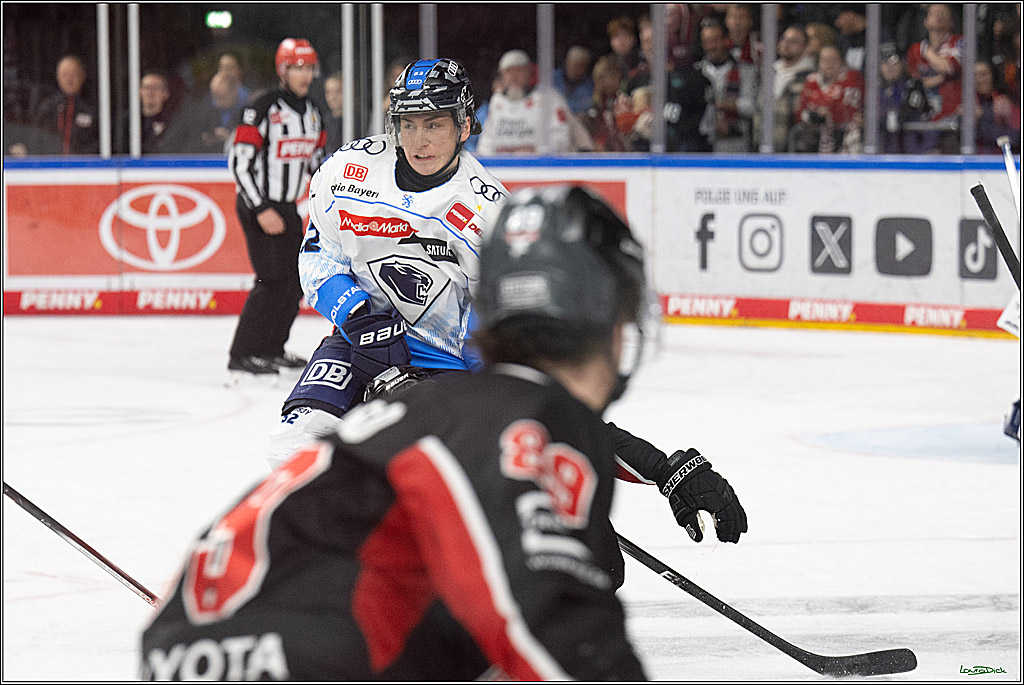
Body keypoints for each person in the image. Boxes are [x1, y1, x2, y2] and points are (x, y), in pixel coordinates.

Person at [140, 185, 670, 680]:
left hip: (205, 643)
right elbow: (553, 633)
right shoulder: (515, 422)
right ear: (607, 319)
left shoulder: (471, 405)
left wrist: (668, 470)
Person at [270, 59, 746, 560]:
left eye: (434, 124)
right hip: (359, 342)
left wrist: (664, 468)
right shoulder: (348, 174)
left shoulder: (487, 214)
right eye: (409, 124)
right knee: (294, 450)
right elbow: (318, 256)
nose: (420, 139)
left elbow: (535, 394)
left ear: (465, 125)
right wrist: (359, 314)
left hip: (452, 365)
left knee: (514, 512)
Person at [226, 38, 326, 379]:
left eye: (309, 67)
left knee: (294, 282)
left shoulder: (313, 112)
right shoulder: (262, 107)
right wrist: (260, 208)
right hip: (258, 204)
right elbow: (239, 165)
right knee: (270, 280)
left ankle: (271, 350)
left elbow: (317, 162)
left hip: (286, 207)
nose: (305, 74)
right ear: (282, 70)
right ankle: (242, 354)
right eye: (297, 67)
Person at [476, 49, 593, 154]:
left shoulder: (549, 98)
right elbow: (487, 140)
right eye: (509, 71)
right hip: (506, 169)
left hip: (545, 167)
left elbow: (560, 138)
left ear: (528, 73)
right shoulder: (497, 101)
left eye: (519, 70)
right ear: (502, 75)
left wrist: (536, 151)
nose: (514, 76)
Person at [906, 3, 962, 154]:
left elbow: (948, 67)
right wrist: (941, 77)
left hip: (952, 122)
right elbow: (915, 84)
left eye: (943, 13)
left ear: (951, 22)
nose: (938, 16)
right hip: (924, 123)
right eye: (934, 13)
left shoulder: (958, 42)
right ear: (926, 21)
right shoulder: (914, 49)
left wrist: (928, 53)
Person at [695, 18, 757, 153]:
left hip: (735, 149)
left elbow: (752, 107)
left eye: (715, 40)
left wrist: (724, 104)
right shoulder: (695, 73)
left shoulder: (746, 71)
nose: (711, 46)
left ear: (726, 40)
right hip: (700, 148)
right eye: (706, 42)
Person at [791, 45, 864, 153]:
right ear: (819, 62)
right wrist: (819, 113)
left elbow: (846, 112)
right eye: (825, 60)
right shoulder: (811, 81)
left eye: (833, 60)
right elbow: (800, 113)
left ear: (842, 61)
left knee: (854, 129)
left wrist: (823, 110)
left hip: (844, 133)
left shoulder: (852, 78)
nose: (829, 64)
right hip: (816, 136)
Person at [25, 54, 98, 155]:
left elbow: (99, 145)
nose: (69, 80)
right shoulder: (48, 108)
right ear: (58, 78)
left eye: (74, 74)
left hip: (83, 168)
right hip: (51, 167)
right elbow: (35, 142)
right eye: (65, 75)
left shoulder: (92, 109)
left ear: (82, 76)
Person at [762, 24, 816, 152]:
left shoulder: (811, 77)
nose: (786, 44)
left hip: (794, 150)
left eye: (793, 41)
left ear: (805, 47)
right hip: (763, 146)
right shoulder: (769, 72)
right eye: (784, 39)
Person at [878, 52, 931, 154]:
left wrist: (886, 118)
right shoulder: (878, 90)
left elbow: (908, 114)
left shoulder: (913, 86)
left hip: (913, 149)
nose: (889, 67)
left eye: (894, 62)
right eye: (885, 63)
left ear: (902, 64)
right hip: (885, 149)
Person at [116, 70, 173, 154]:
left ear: (166, 93)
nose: (150, 93)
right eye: (146, 88)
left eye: (156, 88)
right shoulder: (127, 120)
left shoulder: (173, 120)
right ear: (140, 92)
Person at [552, 45, 594, 116]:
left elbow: (588, 105)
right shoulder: (552, 78)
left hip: (576, 119)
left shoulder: (589, 86)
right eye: (574, 64)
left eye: (580, 66)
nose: (576, 69)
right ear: (567, 62)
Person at [833, 4, 867, 72]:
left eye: (840, 17)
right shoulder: (842, 40)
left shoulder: (879, 36)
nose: (837, 23)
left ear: (850, 15)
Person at [322, 71, 345, 154]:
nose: (332, 97)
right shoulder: (323, 122)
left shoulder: (357, 122)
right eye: (328, 92)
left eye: (337, 91)